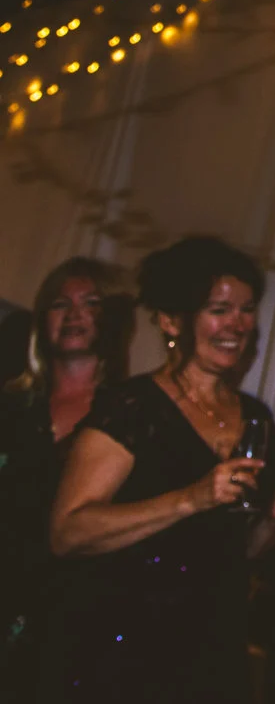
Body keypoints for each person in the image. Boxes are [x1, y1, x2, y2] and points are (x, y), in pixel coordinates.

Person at [48, 236, 275, 701]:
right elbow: (68, 532)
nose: (238, 323)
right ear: (173, 320)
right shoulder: (134, 407)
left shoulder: (257, 420)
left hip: (212, 651)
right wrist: (189, 498)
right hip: (123, 647)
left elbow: (245, 550)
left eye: (247, 309)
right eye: (219, 308)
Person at [0, 258, 125, 698]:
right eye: (59, 304)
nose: (73, 315)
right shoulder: (10, 406)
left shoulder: (130, 415)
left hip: (78, 615)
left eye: (90, 304)